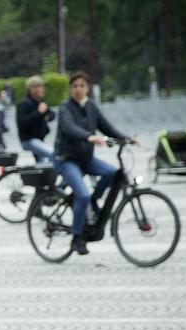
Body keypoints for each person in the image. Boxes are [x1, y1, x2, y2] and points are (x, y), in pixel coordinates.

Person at [53, 71, 130, 256]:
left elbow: (107, 127)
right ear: (71, 89)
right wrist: (90, 137)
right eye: (75, 86)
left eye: (82, 85)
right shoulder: (65, 108)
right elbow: (70, 128)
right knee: (83, 195)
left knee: (112, 173)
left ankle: (94, 202)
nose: (78, 89)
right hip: (66, 159)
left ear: (87, 88)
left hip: (85, 159)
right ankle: (76, 237)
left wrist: (126, 138)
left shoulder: (91, 107)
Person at [16, 75, 56, 163]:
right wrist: (39, 113)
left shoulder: (39, 102)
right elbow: (23, 123)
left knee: (43, 163)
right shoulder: (24, 103)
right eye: (40, 86)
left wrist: (46, 116)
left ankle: (43, 177)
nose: (43, 89)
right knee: (52, 154)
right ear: (32, 89)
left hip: (39, 139)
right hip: (29, 140)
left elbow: (52, 114)